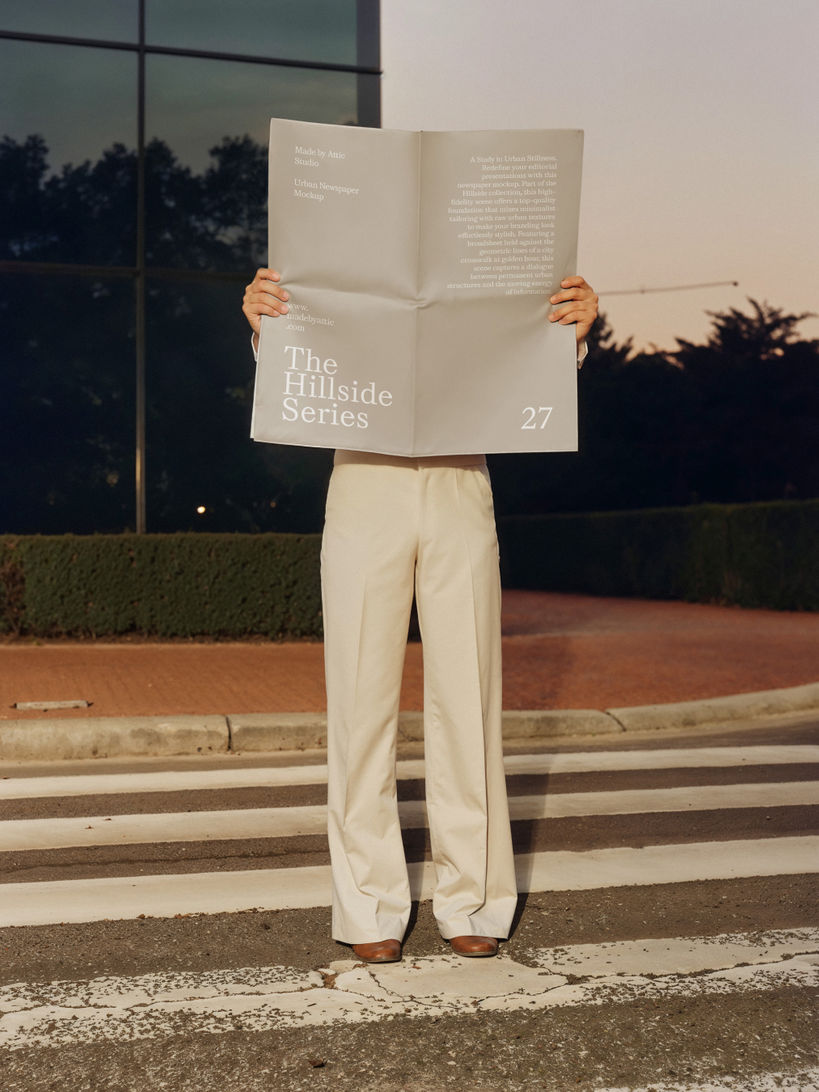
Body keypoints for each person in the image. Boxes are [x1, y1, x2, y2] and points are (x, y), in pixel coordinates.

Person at [243, 269, 598, 962]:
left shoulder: (479, 221)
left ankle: (472, 896)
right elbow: (317, 344)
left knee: (469, 695)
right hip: (362, 473)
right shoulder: (339, 225)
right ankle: (367, 902)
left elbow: (509, 344)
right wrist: (269, 329)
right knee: (359, 699)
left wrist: (571, 339)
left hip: (459, 469)